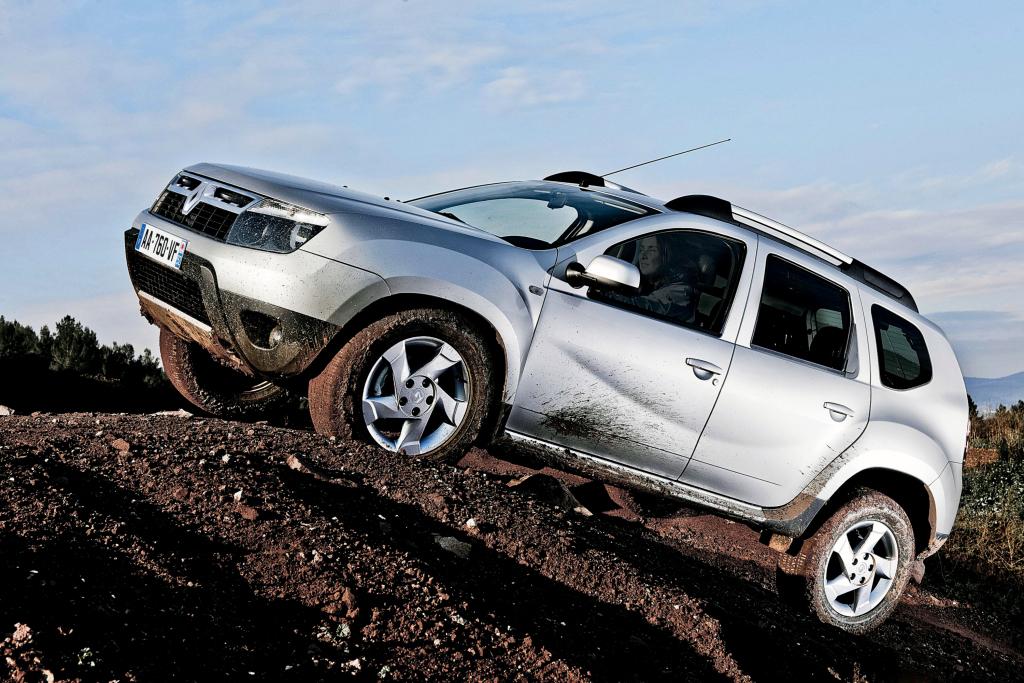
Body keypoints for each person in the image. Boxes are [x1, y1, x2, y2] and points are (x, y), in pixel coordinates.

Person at [599, 234, 697, 324]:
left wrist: (601, 293)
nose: (643, 256)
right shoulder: (649, 282)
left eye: (651, 250)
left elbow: (643, 306)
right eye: (642, 250)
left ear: (666, 256)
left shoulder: (679, 290)